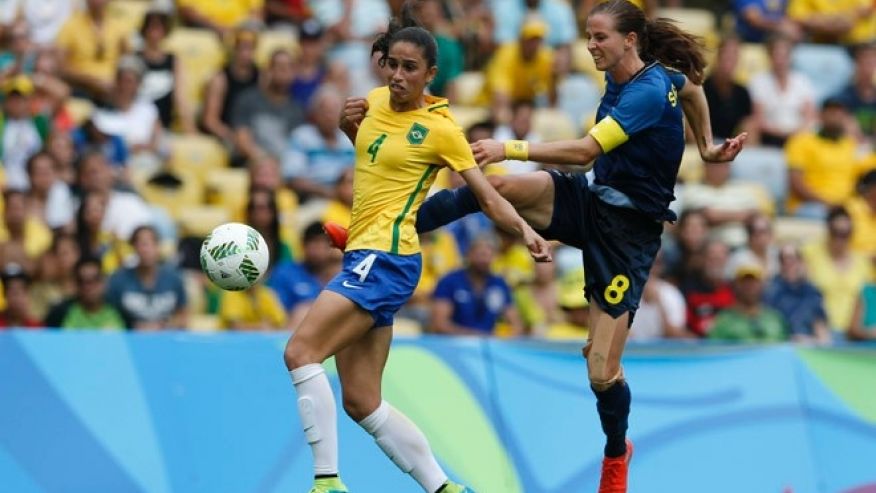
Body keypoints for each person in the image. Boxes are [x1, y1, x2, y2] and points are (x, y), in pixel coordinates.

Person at [331, 1, 746, 490]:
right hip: (591, 201)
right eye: (588, 36)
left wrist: (511, 147)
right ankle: (378, 234)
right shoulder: (648, 77)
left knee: (600, 372)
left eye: (599, 38)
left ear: (629, 40)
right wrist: (706, 144)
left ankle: (617, 452)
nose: (589, 45)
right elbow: (693, 88)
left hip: (629, 234)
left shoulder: (647, 93)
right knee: (500, 189)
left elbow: (586, 151)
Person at [284, 8, 551, 493]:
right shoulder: (371, 103)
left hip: (387, 258)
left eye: (411, 68)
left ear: (431, 74)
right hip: (365, 255)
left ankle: (326, 484)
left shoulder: (442, 128)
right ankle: (444, 488)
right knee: (362, 401)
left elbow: (485, 194)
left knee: (300, 352)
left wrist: (525, 231)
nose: (399, 75)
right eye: (392, 64)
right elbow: (376, 172)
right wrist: (350, 131)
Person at [429, 235, 523, 336]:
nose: (484, 260)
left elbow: (516, 323)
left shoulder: (499, 284)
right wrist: (474, 336)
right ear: (469, 254)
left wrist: (503, 340)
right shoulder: (450, 281)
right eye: (480, 255)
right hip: (455, 342)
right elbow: (439, 323)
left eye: (489, 255)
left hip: (489, 344)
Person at [105, 226, 188, 330]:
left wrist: (164, 327)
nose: (146, 250)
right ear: (133, 247)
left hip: (164, 341)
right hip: (129, 341)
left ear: (158, 246)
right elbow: (108, 316)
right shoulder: (119, 280)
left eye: (151, 243)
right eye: (142, 244)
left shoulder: (174, 279)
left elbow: (183, 317)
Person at [764, 244, 831, 344]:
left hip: (807, 346)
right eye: (783, 259)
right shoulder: (771, 291)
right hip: (779, 346)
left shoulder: (812, 292)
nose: (788, 263)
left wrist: (809, 341)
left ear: (801, 261)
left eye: (792, 258)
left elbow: (822, 333)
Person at [708, 261, 787, 342]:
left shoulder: (775, 319)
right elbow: (713, 350)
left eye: (754, 282)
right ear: (735, 285)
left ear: (762, 285)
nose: (749, 286)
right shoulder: (724, 321)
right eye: (744, 282)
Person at [44, 256, 125, 330]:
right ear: (76, 284)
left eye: (95, 279)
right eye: (82, 280)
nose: (89, 286)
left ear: (104, 282)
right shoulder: (60, 314)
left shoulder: (120, 313)